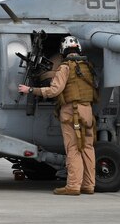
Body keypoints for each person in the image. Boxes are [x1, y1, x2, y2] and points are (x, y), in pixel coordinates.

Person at [18, 36, 97, 196]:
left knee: (73, 148)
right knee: (88, 148)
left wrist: (31, 90)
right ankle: (88, 185)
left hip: (72, 112)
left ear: (63, 51)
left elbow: (55, 90)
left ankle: (73, 186)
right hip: (87, 110)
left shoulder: (65, 67)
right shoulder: (87, 66)